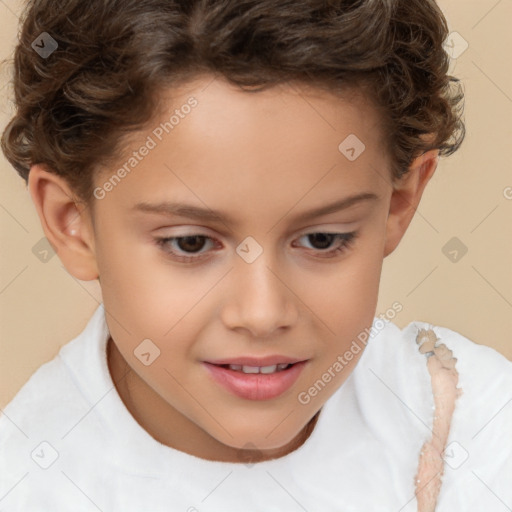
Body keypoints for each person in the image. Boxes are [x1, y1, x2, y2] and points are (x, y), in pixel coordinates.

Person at [1, 0, 511, 510]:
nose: (263, 314)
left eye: (322, 239)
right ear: (73, 222)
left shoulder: (477, 428)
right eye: (191, 243)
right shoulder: (26, 485)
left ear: (398, 204)